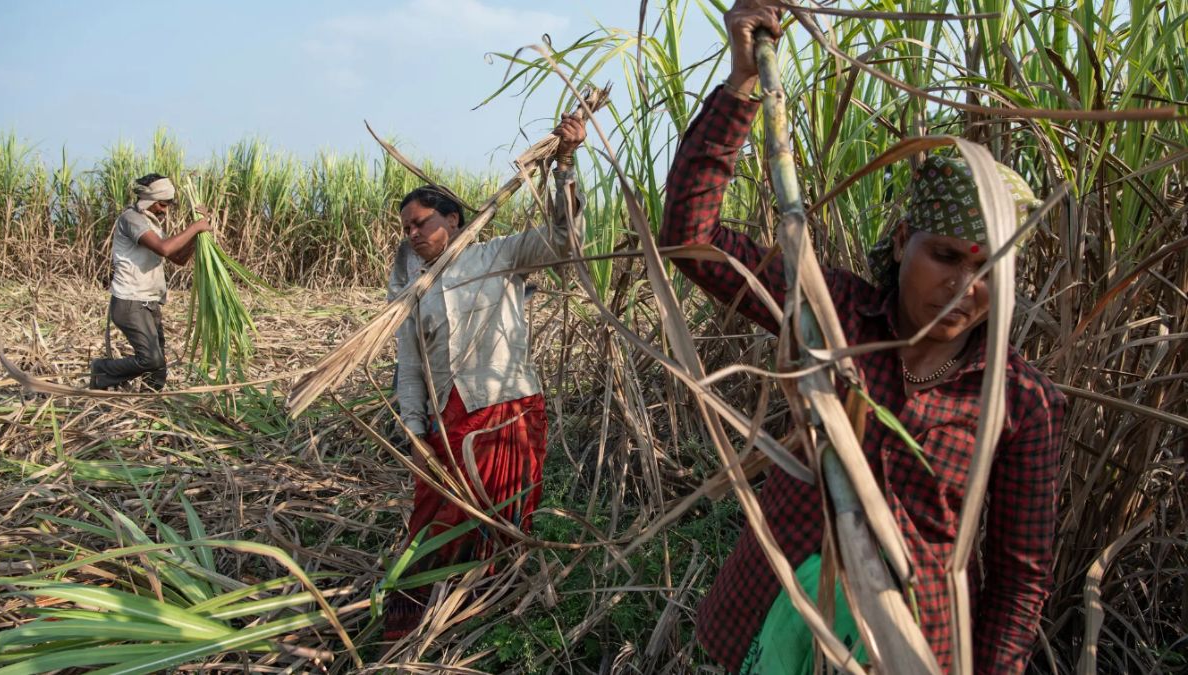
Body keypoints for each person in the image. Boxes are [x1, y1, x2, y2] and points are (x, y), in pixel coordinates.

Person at [659, 5, 1065, 674]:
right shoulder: (832, 311)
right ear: (902, 239)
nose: (967, 286)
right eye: (947, 256)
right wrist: (741, 84)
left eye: (990, 267)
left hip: (906, 644)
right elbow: (692, 238)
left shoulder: (1019, 399)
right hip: (774, 611)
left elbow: (1021, 579)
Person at [381, 115, 587, 640]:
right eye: (406, 227)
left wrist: (566, 163)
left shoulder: (500, 256)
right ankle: (414, 625)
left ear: (452, 218)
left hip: (509, 408)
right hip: (447, 423)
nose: (413, 234)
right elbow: (410, 364)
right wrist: (412, 428)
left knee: (503, 517)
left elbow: (565, 240)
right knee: (433, 521)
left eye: (422, 222)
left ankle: (488, 614)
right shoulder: (413, 288)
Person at [90, 174, 211, 391]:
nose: (165, 211)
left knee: (158, 369)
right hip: (130, 302)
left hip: (149, 301)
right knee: (151, 359)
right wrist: (195, 227)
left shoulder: (151, 224)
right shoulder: (131, 219)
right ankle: (102, 370)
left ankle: (148, 404)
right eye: (162, 204)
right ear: (149, 200)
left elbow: (178, 258)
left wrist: (199, 235)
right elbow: (164, 248)